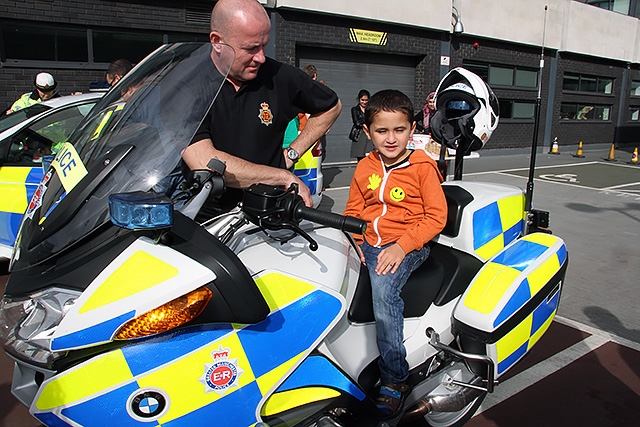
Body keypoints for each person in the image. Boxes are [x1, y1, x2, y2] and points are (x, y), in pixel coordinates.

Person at [182, 0, 341, 219]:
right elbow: (205, 162)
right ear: (217, 41)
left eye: (264, 45)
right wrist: (282, 177)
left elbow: (332, 106)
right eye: (251, 48)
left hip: (269, 213)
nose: (261, 57)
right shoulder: (188, 85)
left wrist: (292, 153)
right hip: (209, 219)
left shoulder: (280, 77)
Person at [343, 89, 447, 419]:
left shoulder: (422, 167)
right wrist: (354, 241)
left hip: (409, 244)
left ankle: (395, 379)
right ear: (367, 131)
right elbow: (353, 210)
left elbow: (436, 217)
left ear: (412, 128)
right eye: (382, 131)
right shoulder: (365, 165)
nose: (391, 139)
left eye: (399, 130)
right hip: (368, 243)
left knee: (384, 294)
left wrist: (402, 247)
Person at [350, 89, 373, 161]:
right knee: (360, 156)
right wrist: (365, 124)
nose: (364, 102)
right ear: (359, 99)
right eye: (362, 100)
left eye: (366, 100)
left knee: (369, 155)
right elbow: (356, 122)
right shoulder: (355, 109)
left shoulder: (370, 110)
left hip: (368, 134)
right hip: (359, 134)